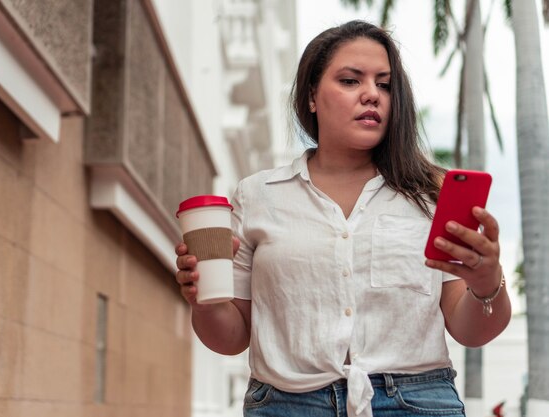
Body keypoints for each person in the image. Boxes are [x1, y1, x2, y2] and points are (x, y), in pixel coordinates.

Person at [174, 20, 511, 417]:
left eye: (384, 85)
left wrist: (487, 282)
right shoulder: (258, 195)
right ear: (312, 96)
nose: (372, 94)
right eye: (351, 81)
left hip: (416, 403)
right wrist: (205, 303)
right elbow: (231, 338)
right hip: (286, 404)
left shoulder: (432, 195)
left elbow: (471, 331)